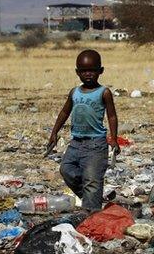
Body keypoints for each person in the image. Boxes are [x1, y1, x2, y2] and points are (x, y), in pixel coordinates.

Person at [46, 49, 120, 211]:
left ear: (100, 71)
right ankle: (91, 199)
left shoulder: (104, 92)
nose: (88, 74)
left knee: (92, 180)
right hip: (75, 143)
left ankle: (92, 213)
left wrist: (114, 138)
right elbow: (65, 112)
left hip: (96, 145)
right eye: (84, 71)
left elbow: (112, 116)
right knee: (66, 170)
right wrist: (54, 132)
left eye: (92, 70)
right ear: (77, 72)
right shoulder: (74, 92)